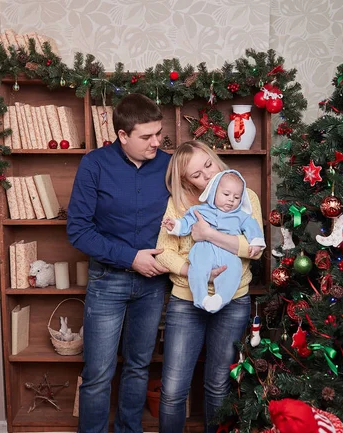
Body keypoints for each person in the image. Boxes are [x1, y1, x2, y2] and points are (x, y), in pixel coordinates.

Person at [67, 93, 171, 433]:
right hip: (107, 281)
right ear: (122, 136)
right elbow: (79, 231)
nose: (156, 142)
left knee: (140, 366)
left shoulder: (169, 164)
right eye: (146, 136)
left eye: (158, 133)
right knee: (98, 373)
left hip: (154, 282)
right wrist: (130, 258)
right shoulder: (94, 164)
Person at [155, 140, 265, 433]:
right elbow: (163, 251)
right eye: (196, 174)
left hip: (233, 302)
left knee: (218, 384)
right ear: (184, 180)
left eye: (208, 164)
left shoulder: (243, 196)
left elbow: (255, 248)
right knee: (174, 389)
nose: (207, 174)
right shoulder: (178, 204)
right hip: (185, 302)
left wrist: (208, 234)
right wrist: (196, 273)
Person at [161, 169, 265, 313]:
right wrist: (175, 225)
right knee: (197, 269)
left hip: (228, 254)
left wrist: (256, 242)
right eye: (226, 194)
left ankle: (220, 298)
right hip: (204, 250)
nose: (231, 200)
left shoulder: (241, 216)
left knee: (234, 270)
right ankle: (201, 297)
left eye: (237, 197)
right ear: (214, 191)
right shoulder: (200, 210)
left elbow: (253, 228)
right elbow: (186, 222)